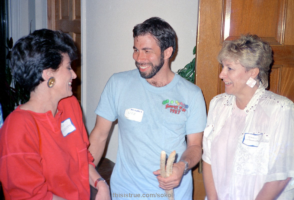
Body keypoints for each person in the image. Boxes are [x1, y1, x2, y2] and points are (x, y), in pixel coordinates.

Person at [89, 17, 207, 199]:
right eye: (136, 50)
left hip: (173, 194)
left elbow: (195, 146)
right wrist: (87, 178)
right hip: (126, 192)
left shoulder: (191, 94)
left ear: (167, 52)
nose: (139, 58)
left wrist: (182, 166)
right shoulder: (117, 84)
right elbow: (99, 135)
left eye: (147, 51)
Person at [0, 29, 110, 200]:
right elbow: (31, 196)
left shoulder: (70, 105)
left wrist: (100, 184)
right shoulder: (17, 127)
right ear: (48, 74)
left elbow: (83, 159)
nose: (74, 75)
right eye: (68, 67)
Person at [202, 34, 294, 200]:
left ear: (253, 72)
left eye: (229, 68)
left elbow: (281, 174)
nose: (221, 74)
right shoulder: (218, 104)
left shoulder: (281, 110)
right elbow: (208, 158)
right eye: (223, 67)